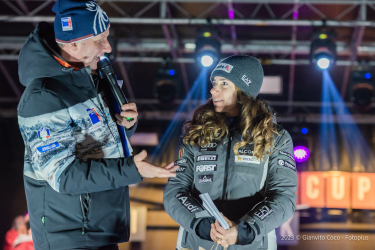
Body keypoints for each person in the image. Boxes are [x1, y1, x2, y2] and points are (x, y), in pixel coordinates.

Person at [17, 1, 177, 250]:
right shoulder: (43, 96)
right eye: (100, 39)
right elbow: (64, 176)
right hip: (69, 236)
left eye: (107, 37)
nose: (108, 47)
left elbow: (95, 144)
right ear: (74, 43)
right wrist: (132, 170)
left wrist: (124, 125)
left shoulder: (89, 80)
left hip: (98, 229)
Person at [163, 55, 297, 249]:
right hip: (197, 243)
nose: (213, 89)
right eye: (214, 82)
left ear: (244, 90)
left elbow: (284, 197)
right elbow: (175, 191)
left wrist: (243, 231)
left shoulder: (276, 137)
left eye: (224, 83)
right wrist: (203, 225)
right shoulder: (197, 133)